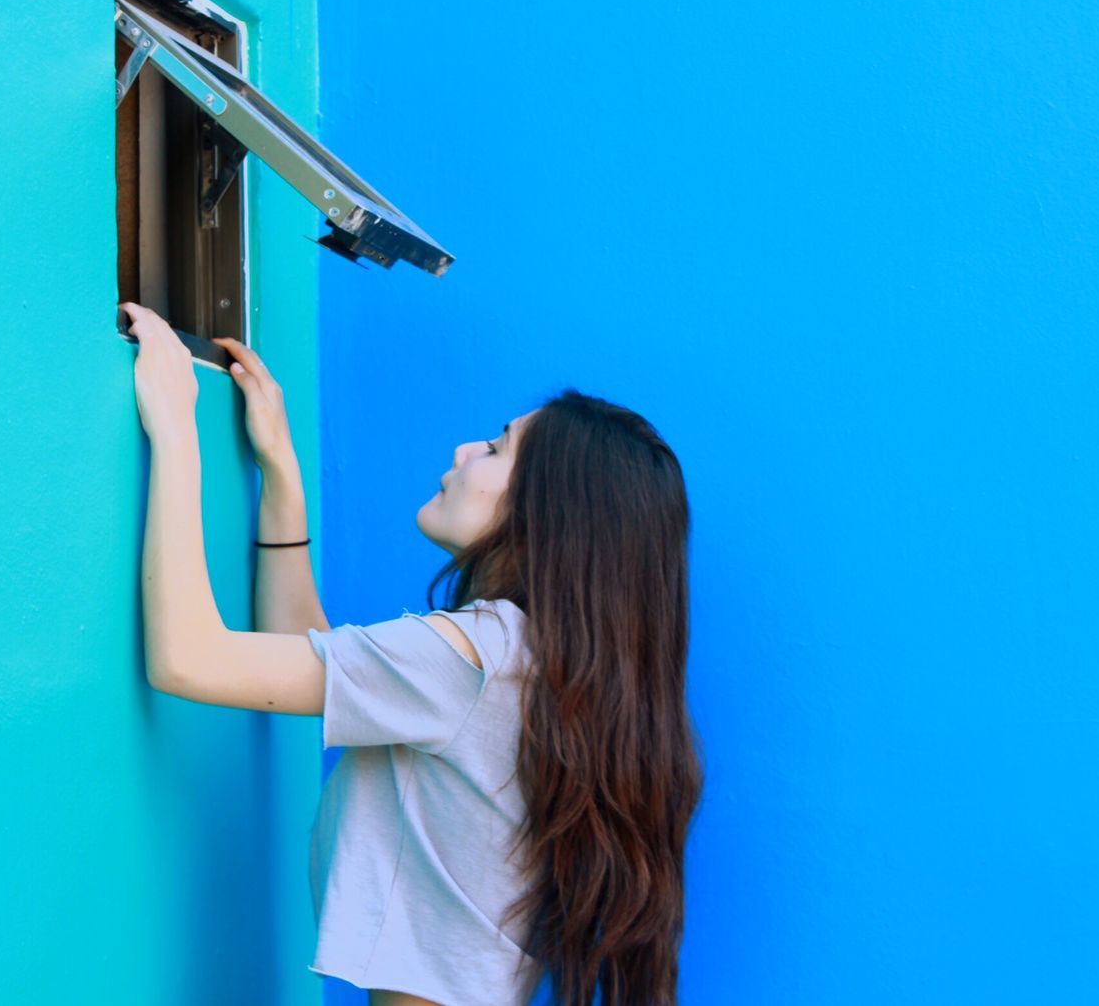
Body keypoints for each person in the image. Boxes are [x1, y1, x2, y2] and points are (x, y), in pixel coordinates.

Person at [119, 301, 704, 1006]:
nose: (464, 451)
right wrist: (280, 475)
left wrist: (176, 425)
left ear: (546, 512)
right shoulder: (526, 664)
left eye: (495, 449)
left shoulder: (475, 657)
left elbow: (189, 657)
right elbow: (315, 662)